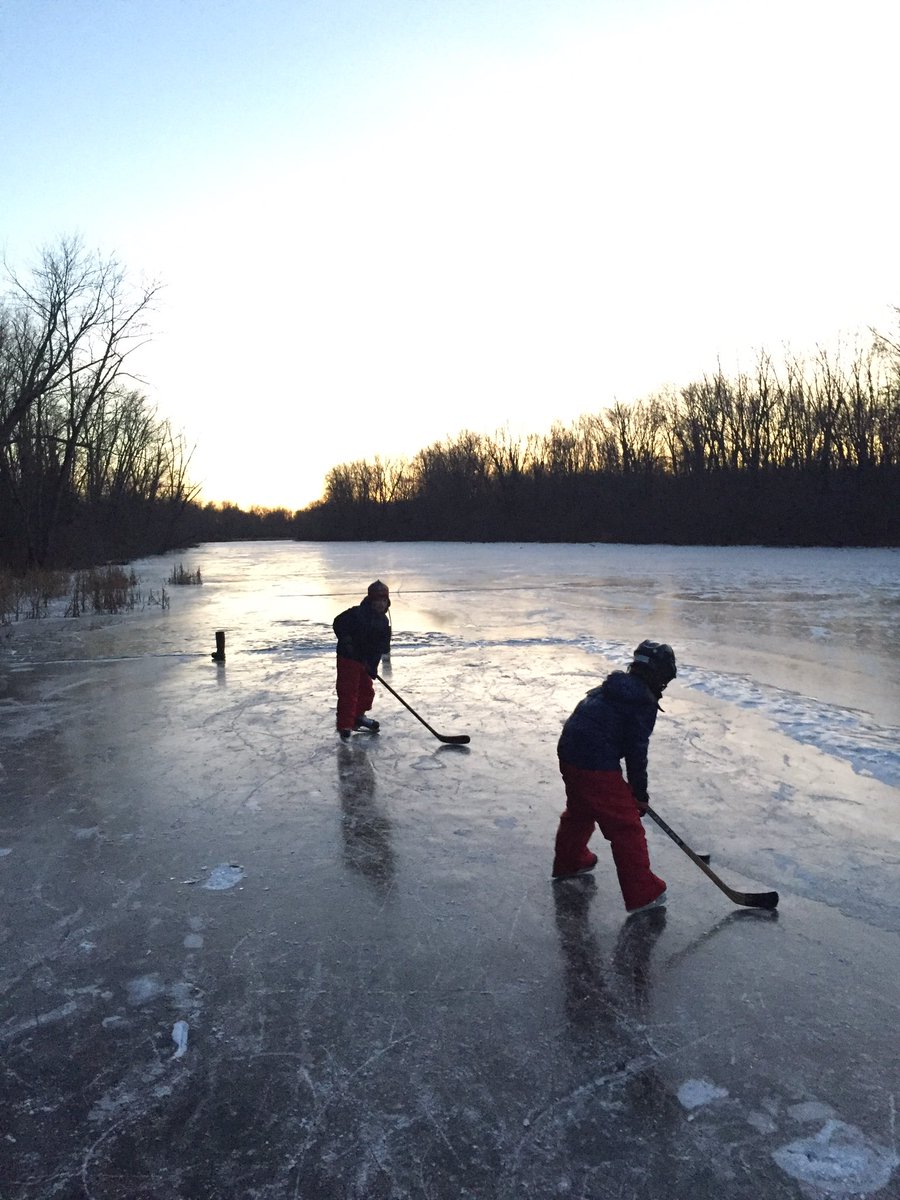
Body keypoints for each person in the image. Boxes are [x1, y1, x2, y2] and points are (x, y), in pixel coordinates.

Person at [551, 639, 677, 914]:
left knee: (580, 811)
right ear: (660, 676)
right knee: (626, 828)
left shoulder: (611, 689)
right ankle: (642, 892)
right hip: (594, 765)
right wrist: (639, 795)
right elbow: (636, 753)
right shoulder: (641, 701)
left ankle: (569, 861)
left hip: (570, 755)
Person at [333, 580, 392, 741]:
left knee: (367, 691)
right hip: (348, 658)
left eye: (383, 600)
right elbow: (338, 623)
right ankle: (345, 725)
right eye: (377, 600)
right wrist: (347, 642)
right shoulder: (357, 613)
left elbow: (381, 646)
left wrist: (373, 666)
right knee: (348, 692)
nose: (380, 604)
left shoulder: (383, 622)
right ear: (370, 600)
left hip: (364, 661)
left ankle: (358, 717)